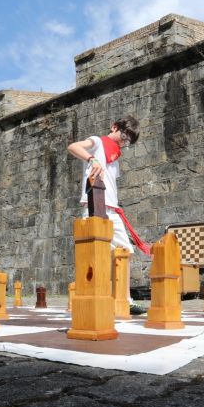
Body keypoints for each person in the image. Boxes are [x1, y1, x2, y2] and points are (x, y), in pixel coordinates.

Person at [67, 115, 150, 312]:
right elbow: (73, 146)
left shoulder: (116, 159)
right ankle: (88, 297)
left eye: (129, 139)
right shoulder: (97, 142)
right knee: (94, 254)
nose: (125, 140)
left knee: (124, 252)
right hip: (95, 204)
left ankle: (124, 300)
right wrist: (92, 159)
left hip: (112, 208)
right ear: (114, 127)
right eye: (124, 134)